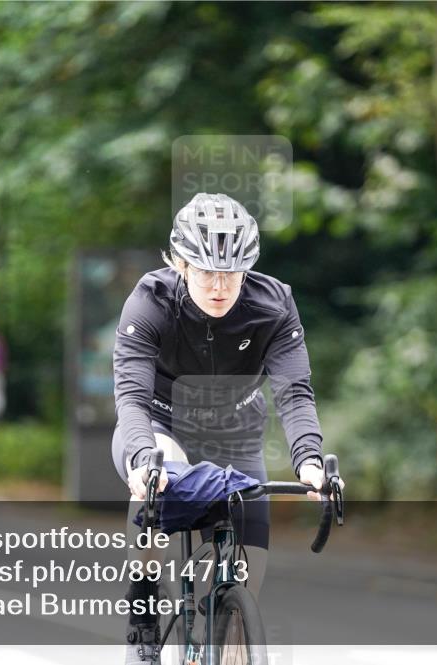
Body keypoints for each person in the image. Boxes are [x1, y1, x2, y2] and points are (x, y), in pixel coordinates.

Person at [111, 192, 330, 664]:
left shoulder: (273, 305)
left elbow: (294, 393)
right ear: (180, 265)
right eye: (206, 272)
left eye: (231, 273)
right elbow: (130, 396)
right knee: (157, 480)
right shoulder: (150, 301)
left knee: (246, 587)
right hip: (161, 422)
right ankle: (144, 607)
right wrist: (142, 458)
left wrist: (309, 461)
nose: (219, 286)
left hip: (235, 432)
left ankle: (225, 635)